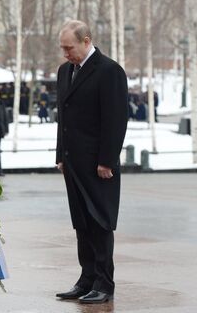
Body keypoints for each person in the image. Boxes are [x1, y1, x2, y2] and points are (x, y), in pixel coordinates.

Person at [55, 20, 128, 304]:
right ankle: (86, 279)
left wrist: (107, 160)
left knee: (100, 223)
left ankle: (104, 283)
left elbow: (115, 119)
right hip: (72, 163)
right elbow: (64, 118)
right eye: (62, 48)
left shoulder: (109, 71)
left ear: (86, 41)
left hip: (99, 165)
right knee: (82, 223)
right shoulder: (65, 72)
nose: (65, 54)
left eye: (69, 48)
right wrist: (61, 155)